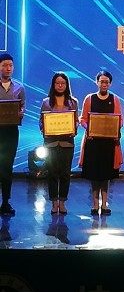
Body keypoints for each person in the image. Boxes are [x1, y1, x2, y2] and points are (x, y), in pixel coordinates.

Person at [80, 70, 123, 215]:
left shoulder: (115, 99)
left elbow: (119, 120)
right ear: (97, 82)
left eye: (106, 82)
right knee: (94, 175)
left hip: (108, 143)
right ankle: (94, 204)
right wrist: (89, 128)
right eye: (101, 81)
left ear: (110, 84)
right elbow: (83, 119)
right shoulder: (89, 98)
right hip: (93, 142)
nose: (104, 84)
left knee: (106, 175)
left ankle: (104, 204)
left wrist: (115, 129)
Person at [39, 72, 79, 214]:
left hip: (67, 143)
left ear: (67, 85)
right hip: (51, 143)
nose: (60, 86)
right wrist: (44, 128)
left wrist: (74, 129)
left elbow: (76, 121)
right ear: (53, 85)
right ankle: (53, 203)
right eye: (57, 83)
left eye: (63, 83)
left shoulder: (73, 102)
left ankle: (62, 202)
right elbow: (41, 121)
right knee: (52, 174)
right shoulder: (46, 102)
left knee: (65, 174)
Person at [0, 53, 25, 216]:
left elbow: (22, 107)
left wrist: (20, 113)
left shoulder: (19, 88)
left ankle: (5, 202)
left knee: (7, 167)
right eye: (4, 65)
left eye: (10, 65)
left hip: (11, 132)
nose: (8, 68)